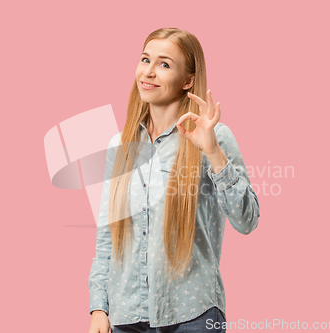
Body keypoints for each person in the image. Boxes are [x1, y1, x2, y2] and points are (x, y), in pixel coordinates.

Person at [88, 27, 260, 333]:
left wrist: (213, 152)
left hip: (191, 313)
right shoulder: (120, 146)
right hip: (127, 316)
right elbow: (107, 238)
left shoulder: (214, 136)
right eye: (145, 60)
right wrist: (99, 307)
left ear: (188, 80)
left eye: (164, 64)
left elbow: (247, 220)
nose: (149, 72)